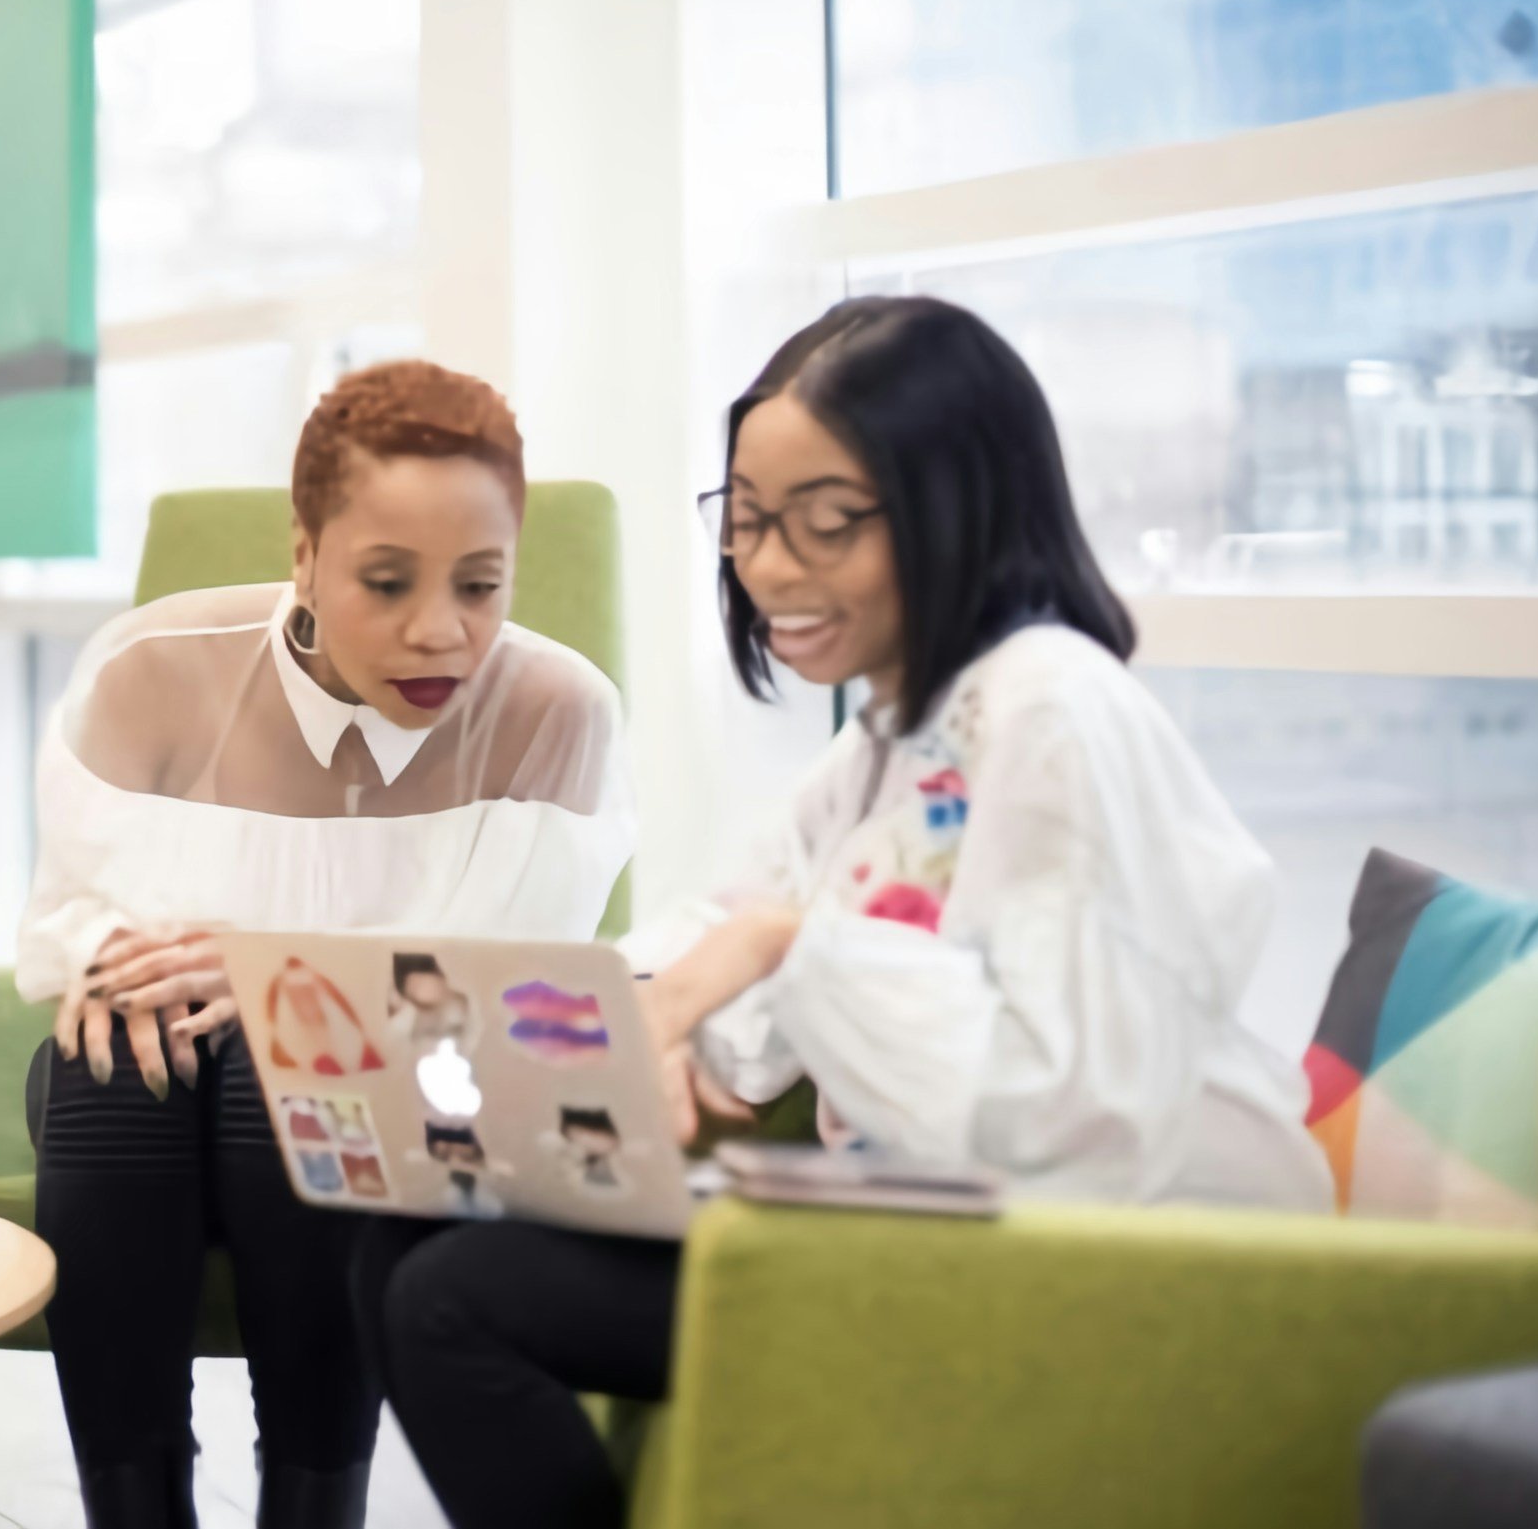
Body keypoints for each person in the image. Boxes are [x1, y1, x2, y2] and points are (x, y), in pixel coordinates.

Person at [350, 297, 1333, 1529]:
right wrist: (588, 1026)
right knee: (401, 1236)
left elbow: (1072, 1110)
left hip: (1110, 1260)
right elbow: (725, 932)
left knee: (455, 1299)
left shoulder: (1053, 714)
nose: (767, 567)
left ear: (955, 505)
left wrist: (778, 952)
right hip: (935, 1223)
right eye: (748, 521)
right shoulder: (891, 739)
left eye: (822, 525)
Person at [18, 359, 634, 1528]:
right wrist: (123, 962)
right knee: (118, 1054)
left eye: (480, 584)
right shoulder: (151, 668)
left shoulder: (559, 712)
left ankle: (312, 1510)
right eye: (387, 582)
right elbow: (71, 926)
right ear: (302, 552)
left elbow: (508, 1002)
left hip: (396, 1103)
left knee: (293, 1054)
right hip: (146, 1123)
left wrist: (271, 977)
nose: (439, 632)